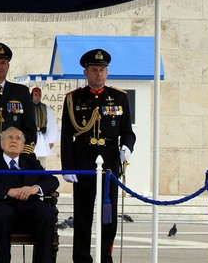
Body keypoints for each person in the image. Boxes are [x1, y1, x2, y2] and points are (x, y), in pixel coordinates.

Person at [60, 49, 135, 263]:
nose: (99, 74)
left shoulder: (119, 97)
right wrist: (68, 166)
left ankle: (105, 256)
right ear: (86, 72)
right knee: (82, 215)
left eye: (102, 69)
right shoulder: (74, 98)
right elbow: (67, 136)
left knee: (108, 215)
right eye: (94, 70)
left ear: (107, 72)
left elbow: (127, 131)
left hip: (109, 161)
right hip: (83, 161)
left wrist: (127, 147)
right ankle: (81, 258)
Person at [0, 126, 59, 263]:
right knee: (3, 213)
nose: (14, 140)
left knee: (46, 212)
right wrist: (7, 191)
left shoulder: (31, 163)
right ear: (2, 143)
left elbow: (52, 180)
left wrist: (34, 189)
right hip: (0, 205)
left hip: (28, 206)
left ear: (23, 146)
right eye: (10, 137)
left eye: (18, 138)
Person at [30, 86, 59, 166]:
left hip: (42, 136)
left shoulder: (46, 108)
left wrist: (51, 140)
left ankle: (42, 171)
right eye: (35, 95)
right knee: (31, 157)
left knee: (42, 160)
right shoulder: (27, 108)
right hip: (31, 136)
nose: (37, 96)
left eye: (39, 95)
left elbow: (51, 124)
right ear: (32, 95)